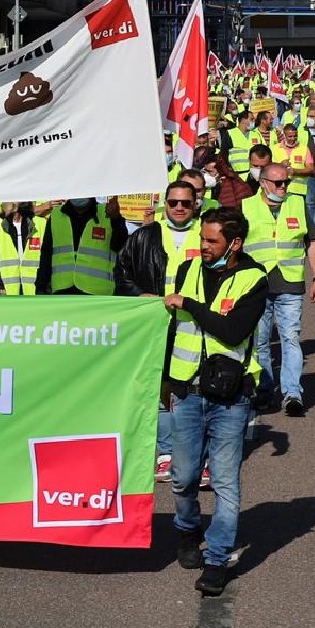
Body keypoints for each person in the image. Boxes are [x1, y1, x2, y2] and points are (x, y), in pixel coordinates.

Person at [164, 208, 268, 596]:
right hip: (187, 390)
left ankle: (218, 558)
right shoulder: (185, 270)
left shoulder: (253, 279)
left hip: (231, 395)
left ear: (235, 243)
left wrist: (190, 304)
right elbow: (171, 331)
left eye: (211, 241)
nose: (203, 247)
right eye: (202, 239)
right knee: (184, 476)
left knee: (224, 479)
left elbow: (233, 329)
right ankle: (188, 531)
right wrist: (165, 380)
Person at [120, 180, 207, 481]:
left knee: (196, 388)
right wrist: (138, 294)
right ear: (165, 204)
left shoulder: (208, 233)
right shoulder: (145, 235)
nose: (180, 208)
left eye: (186, 202)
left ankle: (201, 456)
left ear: (196, 203)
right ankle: (167, 453)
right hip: (157, 322)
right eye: (173, 203)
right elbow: (122, 272)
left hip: (196, 323)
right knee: (160, 389)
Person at [244, 164, 315, 416]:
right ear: (263, 183)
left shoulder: (297, 204)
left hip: (289, 282)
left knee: (290, 338)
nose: (283, 187)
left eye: (285, 182)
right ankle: (265, 389)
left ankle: (292, 393)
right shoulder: (246, 206)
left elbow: (311, 241)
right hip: (256, 285)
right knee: (261, 341)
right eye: (277, 183)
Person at [42, 197, 125, 296]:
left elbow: (119, 246)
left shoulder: (107, 212)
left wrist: (116, 219)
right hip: (63, 290)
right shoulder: (57, 215)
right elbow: (46, 254)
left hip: (98, 293)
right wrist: (40, 286)